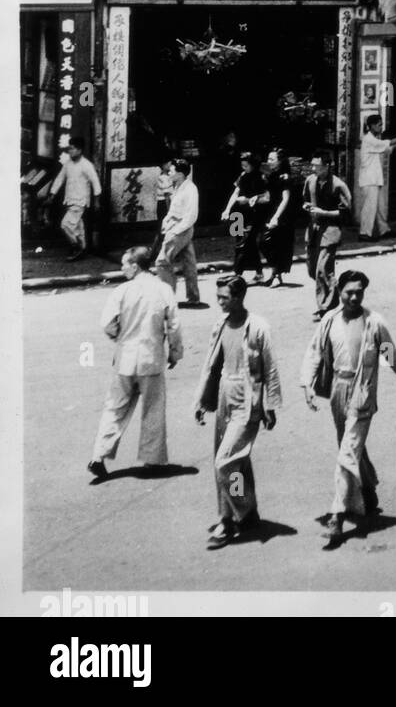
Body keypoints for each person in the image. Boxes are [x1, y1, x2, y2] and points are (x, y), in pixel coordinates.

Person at [300, 271, 396, 546]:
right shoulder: (329, 320)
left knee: (346, 453)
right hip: (338, 391)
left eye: (359, 292)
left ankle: (338, 515)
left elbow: (391, 354)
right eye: (348, 292)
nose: (354, 297)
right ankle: (368, 487)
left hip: (363, 393)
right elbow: (314, 352)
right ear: (338, 291)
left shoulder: (374, 323)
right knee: (349, 445)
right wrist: (307, 384)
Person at [195, 274, 282, 548]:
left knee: (226, 462)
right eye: (218, 296)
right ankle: (246, 513)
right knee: (236, 461)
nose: (219, 302)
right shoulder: (219, 324)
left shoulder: (258, 327)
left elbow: (270, 367)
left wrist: (270, 404)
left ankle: (232, 517)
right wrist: (201, 400)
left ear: (239, 297)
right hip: (224, 394)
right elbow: (211, 364)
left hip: (248, 399)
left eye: (225, 297)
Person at [88, 247, 183, 480]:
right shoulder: (163, 289)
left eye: (124, 264)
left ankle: (99, 455)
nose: (122, 268)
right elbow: (174, 326)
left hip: (125, 359)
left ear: (135, 265)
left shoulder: (121, 291)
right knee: (153, 409)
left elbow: (107, 323)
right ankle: (152, 459)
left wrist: (119, 337)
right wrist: (175, 352)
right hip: (151, 359)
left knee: (115, 407)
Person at [304, 155, 353, 320]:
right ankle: (334, 290)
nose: (313, 169)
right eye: (312, 165)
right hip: (313, 231)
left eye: (317, 166)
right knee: (312, 269)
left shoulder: (338, 185)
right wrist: (307, 206)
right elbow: (304, 200)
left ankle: (327, 308)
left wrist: (324, 213)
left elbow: (346, 213)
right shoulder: (310, 181)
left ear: (327, 166)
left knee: (323, 269)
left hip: (330, 231)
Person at [357, 115, 396, 241]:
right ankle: (364, 233)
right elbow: (388, 143)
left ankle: (384, 230)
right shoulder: (368, 140)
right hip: (369, 179)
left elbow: (389, 148)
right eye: (379, 125)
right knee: (369, 207)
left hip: (376, 178)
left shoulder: (375, 140)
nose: (381, 127)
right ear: (371, 126)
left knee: (380, 207)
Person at [155, 158, 202, 306]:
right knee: (189, 262)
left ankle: (168, 297)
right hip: (175, 225)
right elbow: (173, 209)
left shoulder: (190, 189)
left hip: (182, 227)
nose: (169, 172)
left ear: (180, 173)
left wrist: (176, 230)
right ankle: (193, 297)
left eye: (172, 170)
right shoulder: (178, 186)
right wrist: (166, 221)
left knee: (162, 261)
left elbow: (191, 215)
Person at [47, 136, 102, 261]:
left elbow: (95, 182)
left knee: (65, 225)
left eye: (72, 149)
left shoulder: (87, 165)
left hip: (80, 201)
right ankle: (82, 248)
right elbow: (60, 179)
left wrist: (97, 201)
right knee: (77, 226)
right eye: (69, 149)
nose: (70, 151)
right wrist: (52, 195)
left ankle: (76, 246)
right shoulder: (68, 164)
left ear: (79, 150)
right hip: (69, 199)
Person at [222, 152, 270, 285]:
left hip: (255, 214)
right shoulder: (242, 176)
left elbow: (266, 198)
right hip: (239, 213)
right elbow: (235, 192)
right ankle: (259, 273)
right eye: (242, 165)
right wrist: (227, 210)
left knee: (245, 241)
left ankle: (237, 273)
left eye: (246, 165)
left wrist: (248, 200)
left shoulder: (261, 177)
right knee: (240, 240)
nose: (244, 168)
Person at [263, 148, 299, 287]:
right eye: (268, 159)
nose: (269, 162)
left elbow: (285, 199)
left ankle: (277, 274)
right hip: (271, 212)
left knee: (276, 244)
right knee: (267, 243)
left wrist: (276, 217)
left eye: (272, 159)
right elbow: (268, 195)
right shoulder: (270, 175)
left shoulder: (285, 177)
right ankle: (274, 273)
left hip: (283, 215)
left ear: (280, 161)